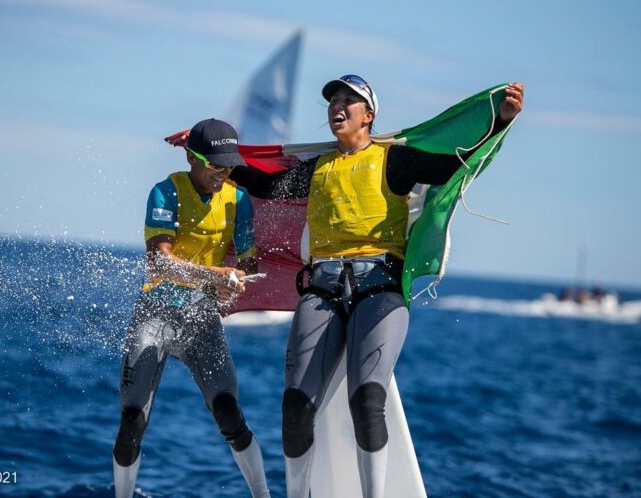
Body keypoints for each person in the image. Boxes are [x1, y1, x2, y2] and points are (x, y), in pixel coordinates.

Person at [226, 76, 525, 498]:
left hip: (379, 289)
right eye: (333, 101)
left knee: (366, 401)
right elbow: (266, 185)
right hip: (323, 290)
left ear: (369, 116)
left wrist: (499, 124)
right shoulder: (317, 168)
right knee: (294, 408)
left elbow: (452, 164)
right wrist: (212, 154)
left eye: (350, 101)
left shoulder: (394, 160)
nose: (338, 107)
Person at [112, 119, 270, 498]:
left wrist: (236, 281)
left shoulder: (239, 200)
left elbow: (248, 264)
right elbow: (160, 264)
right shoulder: (164, 192)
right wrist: (216, 273)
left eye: (229, 166)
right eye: (215, 165)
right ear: (191, 157)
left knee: (229, 413)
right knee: (133, 418)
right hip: (154, 314)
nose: (223, 173)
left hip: (202, 319)